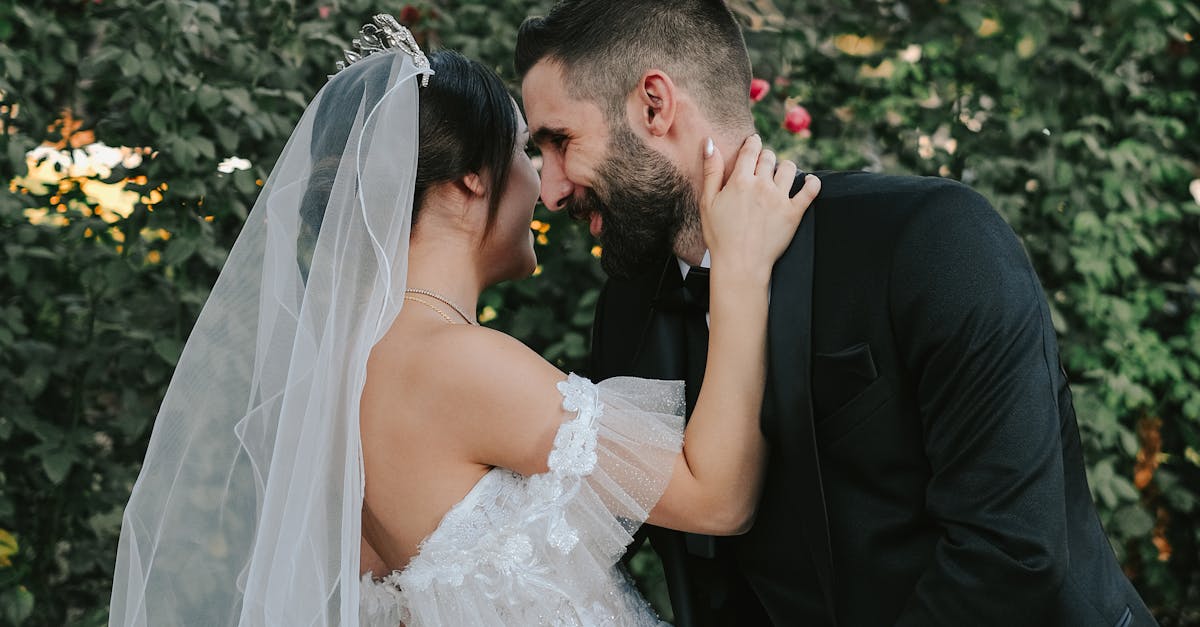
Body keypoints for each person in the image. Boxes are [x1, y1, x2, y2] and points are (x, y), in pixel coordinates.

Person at [109, 14, 820, 627]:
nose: (547, 190)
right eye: (524, 151)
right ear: (470, 179)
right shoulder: (452, 362)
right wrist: (743, 269)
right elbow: (718, 498)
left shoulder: (348, 375)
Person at [515, 1, 1158, 626]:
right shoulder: (626, 314)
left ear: (654, 105)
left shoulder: (932, 242)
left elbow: (1011, 554)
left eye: (561, 141)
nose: (550, 189)